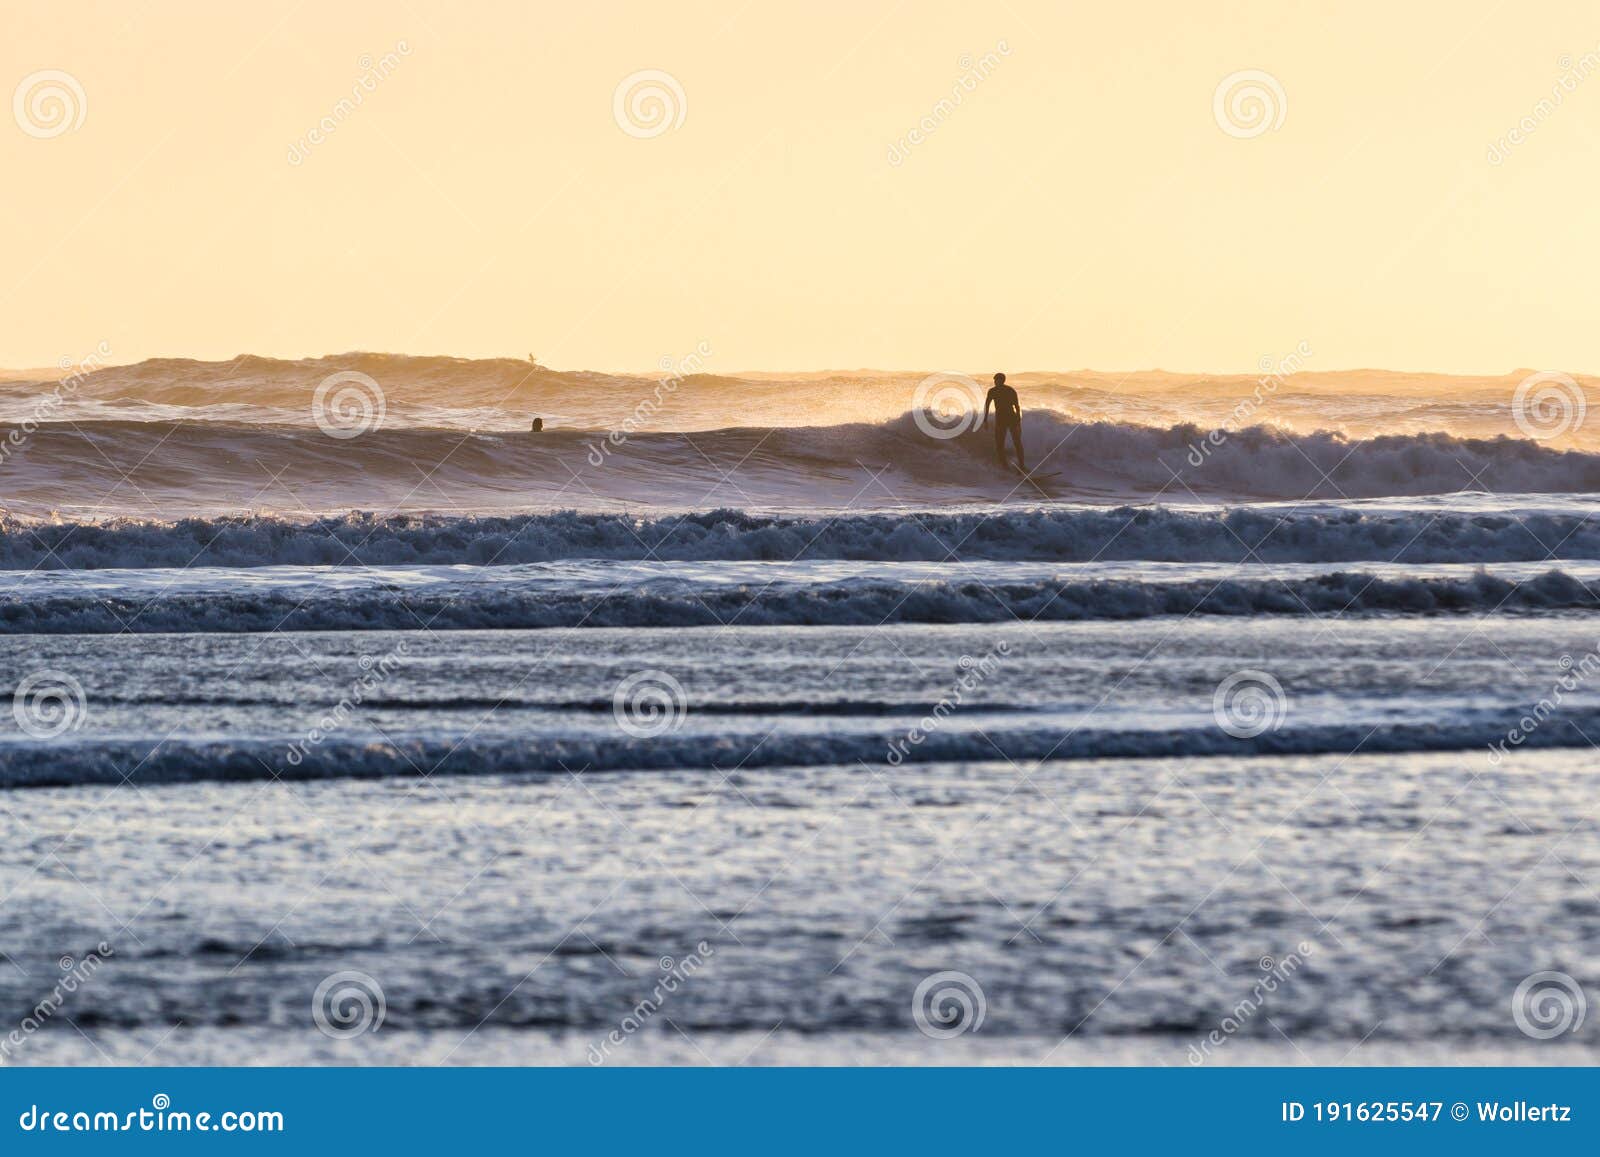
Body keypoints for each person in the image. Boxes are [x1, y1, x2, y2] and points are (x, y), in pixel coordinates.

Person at [981, 372, 1024, 472]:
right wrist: (985, 420)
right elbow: (987, 405)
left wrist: (1018, 421)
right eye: (995, 380)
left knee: (1017, 442)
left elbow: (1017, 406)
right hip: (1001, 420)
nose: (996, 382)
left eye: (998, 380)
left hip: (1011, 418)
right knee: (999, 444)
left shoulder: (1010, 390)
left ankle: (1021, 466)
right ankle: (1005, 467)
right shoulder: (992, 391)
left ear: (1002, 380)